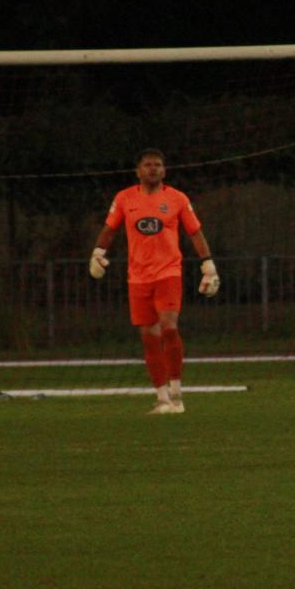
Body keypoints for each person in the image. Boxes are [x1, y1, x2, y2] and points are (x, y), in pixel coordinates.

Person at [89, 148, 220, 415]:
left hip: (168, 273)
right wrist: (98, 253)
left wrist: (208, 264)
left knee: (169, 328)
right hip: (138, 277)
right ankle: (162, 399)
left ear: (164, 170)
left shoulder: (177, 199)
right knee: (149, 337)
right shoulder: (124, 198)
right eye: (148, 165)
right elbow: (110, 228)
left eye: (158, 165)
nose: (153, 169)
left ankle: (177, 394)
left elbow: (195, 232)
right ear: (138, 171)